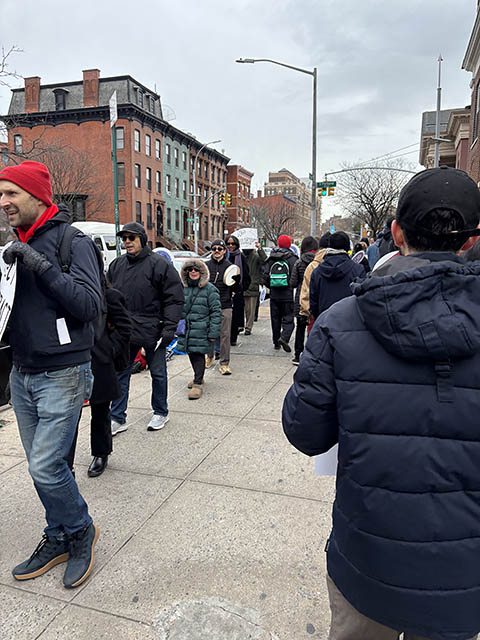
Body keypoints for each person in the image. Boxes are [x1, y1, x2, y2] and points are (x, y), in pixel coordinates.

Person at [283, 166, 480, 640]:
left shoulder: (339, 323)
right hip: (465, 571)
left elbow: (305, 432)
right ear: (472, 240)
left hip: (368, 557)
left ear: (396, 233)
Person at [0, 161, 101, 589]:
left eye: (11, 194)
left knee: (45, 466)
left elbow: (89, 305)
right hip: (21, 373)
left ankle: (81, 530)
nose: (3, 202)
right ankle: (58, 535)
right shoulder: (14, 245)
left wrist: (40, 265)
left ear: (38, 197)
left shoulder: (72, 241)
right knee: (43, 465)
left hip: (63, 372)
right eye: (1, 194)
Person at [108, 222, 184, 433]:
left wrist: (169, 328)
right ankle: (117, 417)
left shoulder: (159, 265)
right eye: (124, 238)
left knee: (158, 373)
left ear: (142, 239)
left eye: (131, 238)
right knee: (121, 374)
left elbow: (174, 298)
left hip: (153, 329)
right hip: (124, 330)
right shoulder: (116, 265)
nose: (127, 242)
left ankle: (160, 412)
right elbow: (108, 295)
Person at [67, 282, 132, 478]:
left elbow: (124, 327)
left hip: (99, 361)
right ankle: (66, 463)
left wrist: (109, 349)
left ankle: (101, 453)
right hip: (70, 360)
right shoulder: (67, 291)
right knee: (68, 415)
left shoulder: (110, 295)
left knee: (100, 411)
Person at [177, 259, 221, 399]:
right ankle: (198, 376)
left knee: (198, 354)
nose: (193, 272)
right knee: (191, 353)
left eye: (196, 269)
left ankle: (198, 383)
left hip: (202, 329)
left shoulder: (210, 289)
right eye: (190, 269)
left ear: (202, 272)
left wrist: (213, 332)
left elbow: (216, 312)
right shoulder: (182, 288)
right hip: (187, 329)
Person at [309, 231, 365, 320]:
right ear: (347, 247)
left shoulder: (317, 272)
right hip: (350, 322)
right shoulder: (358, 270)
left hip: (324, 322)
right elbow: (362, 300)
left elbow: (313, 304)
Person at [205, 239, 237, 375]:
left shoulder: (231, 267)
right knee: (209, 333)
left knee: (225, 335)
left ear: (224, 251)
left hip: (225, 304)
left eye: (219, 249)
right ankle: (210, 356)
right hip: (209, 305)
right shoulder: (205, 266)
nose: (216, 251)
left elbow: (237, 288)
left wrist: (237, 283)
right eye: (214, 249)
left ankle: (224, 363)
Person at [262, 234, 298, 352]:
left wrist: (272, 286)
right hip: (288, 295)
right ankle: (284, 337)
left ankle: (276, 342)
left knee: (275, 319)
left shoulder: (271, 258)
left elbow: (265, 276)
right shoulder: (293, 259)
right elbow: (295, 277)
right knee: (288, 318)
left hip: (274, 295)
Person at [290, 236, 319, 365]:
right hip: (314, 297)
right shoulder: (318, 263)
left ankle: (297, 354)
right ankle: (311, 353)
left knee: (300, 327)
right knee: (314, 325)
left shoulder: (299, 262)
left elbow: (293, 282)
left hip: (301, 297)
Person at [298, 232, 331, 336]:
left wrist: (305, 312)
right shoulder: (349, 266)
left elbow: (306, 292)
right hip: (340, 318)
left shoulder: (313, 266)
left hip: (316, 315)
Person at [225, 235, 250, 346]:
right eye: (228, 244)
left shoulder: (241, 257)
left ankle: (233, 338)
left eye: (233, 244)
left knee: (235, 317)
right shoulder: (223, 257)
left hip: (237, 292)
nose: (230, 246)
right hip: (224, 291)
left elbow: (247, 276)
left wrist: (240, 289)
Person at [243, 241, 267, 335]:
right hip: (244, 286)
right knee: (246, 309)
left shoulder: (255, 256)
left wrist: (259, 248)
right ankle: (244, 326)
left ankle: (248, 327)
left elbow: (264, 260)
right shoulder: (241, 256)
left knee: (251, 309)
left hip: (252, 285)